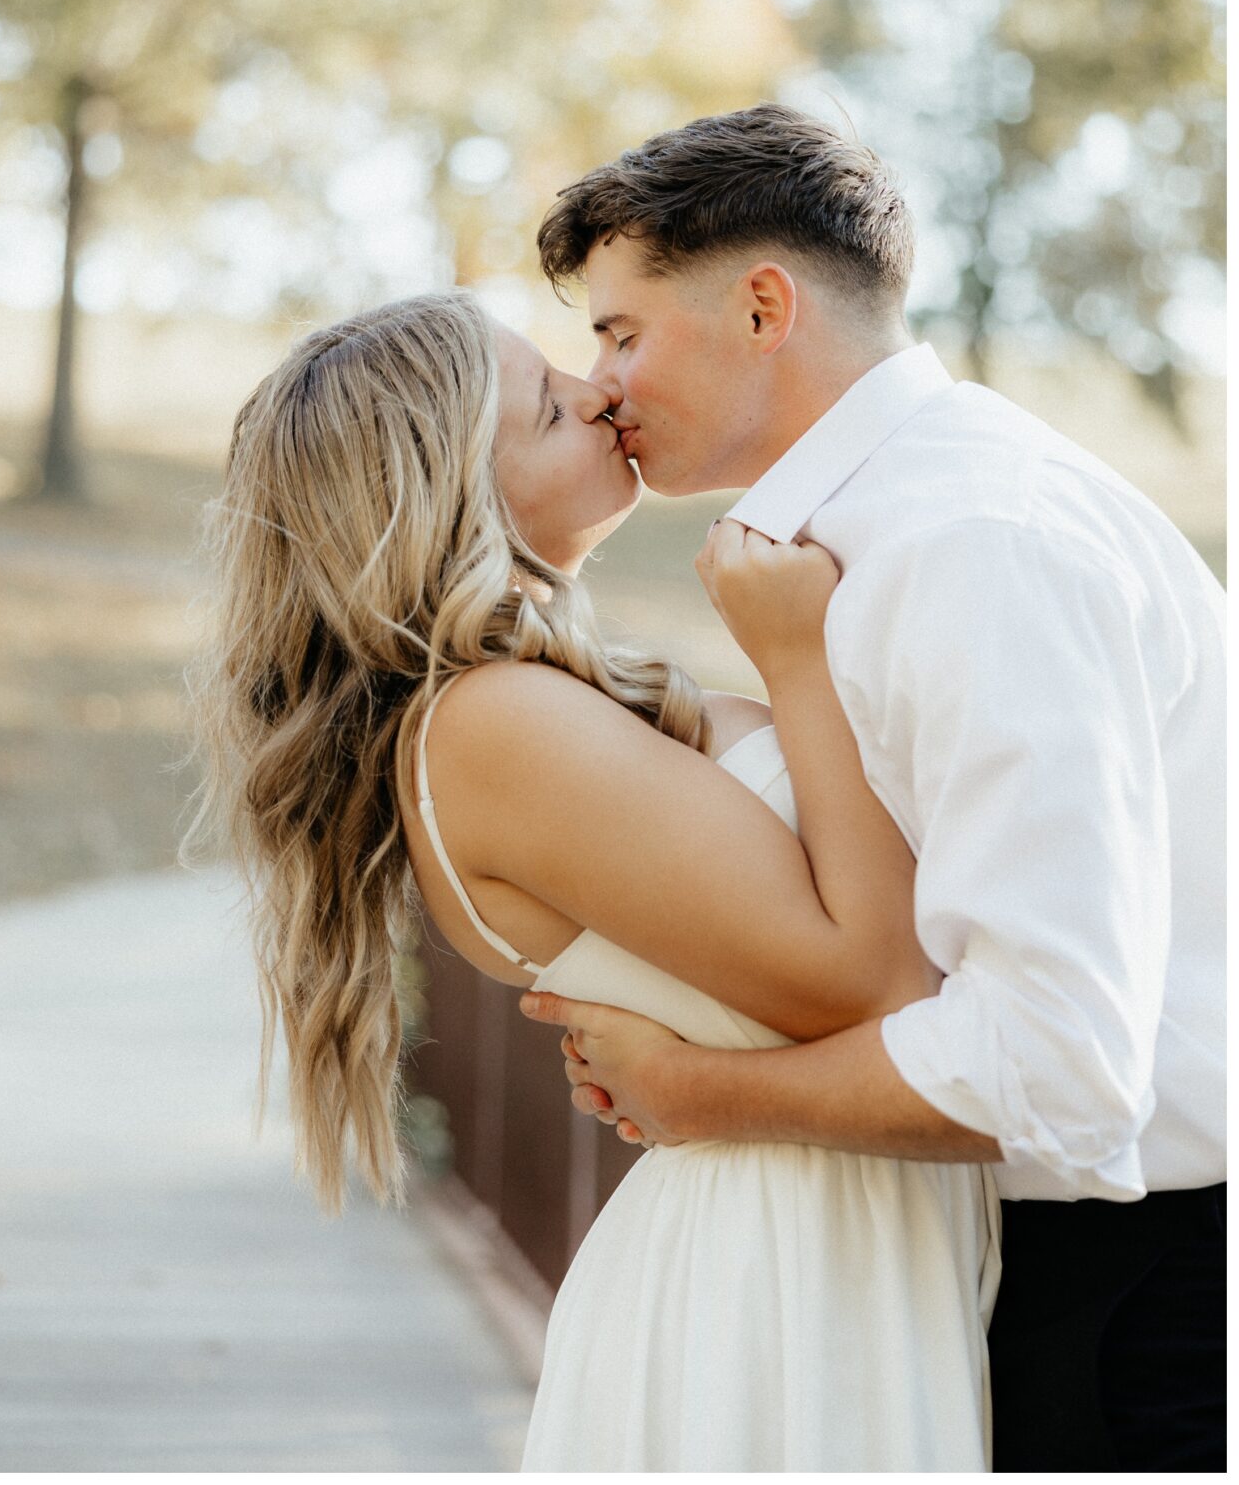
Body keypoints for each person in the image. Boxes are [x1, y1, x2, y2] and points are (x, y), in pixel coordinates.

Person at [521, 104, 1224, 1472]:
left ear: (765, 305)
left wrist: (705, 1090)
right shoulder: (874, 532)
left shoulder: (971, 545)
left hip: (1151, 1313)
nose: (600, 383)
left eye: (620, 331)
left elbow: (1058, 1066)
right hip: (1056, 1275)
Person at [196, 287, 997, 1468]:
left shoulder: (531, 704)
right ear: (451, 487)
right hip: (780, 1289)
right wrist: (799, 659)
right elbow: (873, 974)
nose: (596, 390)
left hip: (843, 1240)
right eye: (542, 404)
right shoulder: (490, 726)